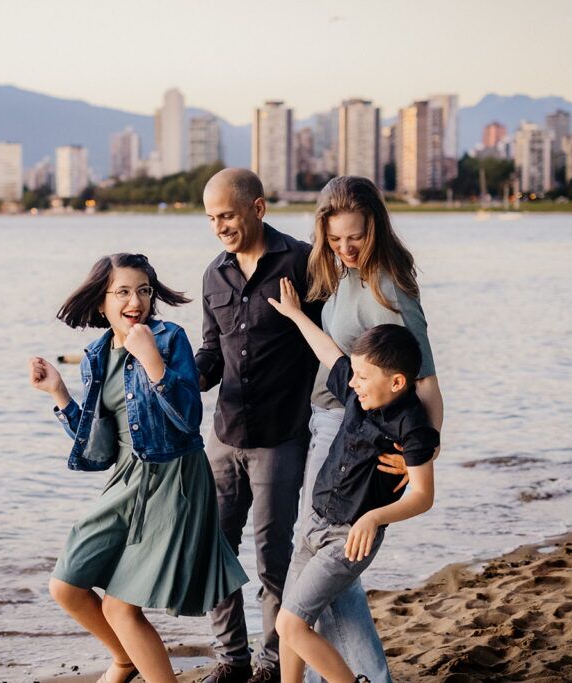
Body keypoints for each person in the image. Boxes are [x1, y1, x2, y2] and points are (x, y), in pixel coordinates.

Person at [28, 253, 247, 683]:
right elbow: (100, 448)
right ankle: (125, 660)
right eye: (124, 291)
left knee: (120, 607)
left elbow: (188, 419)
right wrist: (59, 394)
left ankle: (140, 667)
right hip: (124, 478)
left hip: (174, 478)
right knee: (67, 586)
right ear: (101, 302)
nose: (136, 301)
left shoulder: (168, 339)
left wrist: (152, 362)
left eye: (144, 290)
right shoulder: (94, 355)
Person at [297, 175, 444, 682]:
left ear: (375, 226)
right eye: (335, 239)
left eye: (354, 236)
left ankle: (359, 676)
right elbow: (337, 355)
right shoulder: (341, 274)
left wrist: (422, 454)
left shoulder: (389, 286)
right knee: (331, 561)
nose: (345, 247)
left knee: (325, 556)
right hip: (328, 420)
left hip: (353, 429)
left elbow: (424, 381)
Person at [260, 299, 439, 683]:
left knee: (292, 624)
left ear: (396, 382)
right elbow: (329, 353)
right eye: (354, 375)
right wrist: (295, 315)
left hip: (348, 540)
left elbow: (423, 495)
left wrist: (374, 518)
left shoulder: (412, 428)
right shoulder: (359, 394)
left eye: (362, 376)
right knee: (287, 620)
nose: (352, 382)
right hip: (314, 521)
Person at [196, 168, 321, 683]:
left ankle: (271, 662)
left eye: (227, 214)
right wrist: (171, 376)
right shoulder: (214, 275)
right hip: (224, 435)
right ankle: (231, 658)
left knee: (274, 555)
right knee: (213, 549)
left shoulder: (304, 262)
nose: (219, 226)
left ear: (257, 208)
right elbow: (210, 353)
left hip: (282, 436)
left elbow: (328, 339)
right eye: (211, 218)